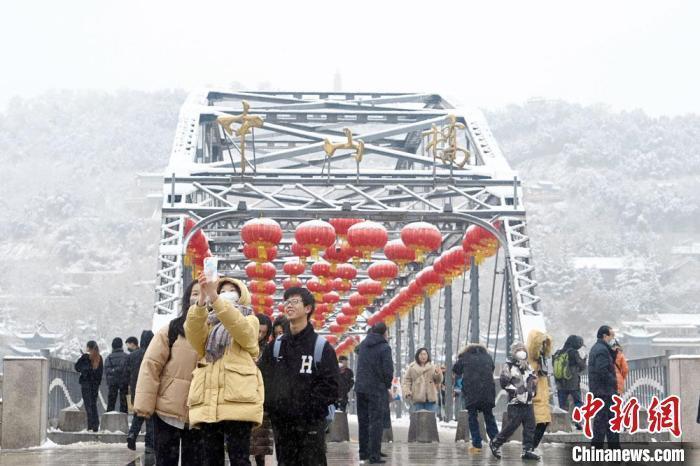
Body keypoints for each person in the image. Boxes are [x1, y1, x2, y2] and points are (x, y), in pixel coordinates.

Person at [185, 274, 264, 466]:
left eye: (232, 291)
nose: (226, 294)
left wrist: (216, 298)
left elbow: (240, 330)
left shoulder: (250, 320)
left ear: (242, 295)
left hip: (237, 398)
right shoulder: (209, 324)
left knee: (239, 458)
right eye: (222, 291)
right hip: (209, 398)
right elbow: (194, 336)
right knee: (210, 459)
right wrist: (202, 301)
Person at [259, 286, 340, 466]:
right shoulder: (276, 347)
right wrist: (275, 408)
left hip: (310, 426)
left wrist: (307, 410)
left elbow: (331, 386)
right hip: (283, 426)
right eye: (286, 302)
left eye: (295, 302)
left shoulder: (321, 347)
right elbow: (264, 379)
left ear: (308, 308)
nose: (289, 306)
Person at [134, 280, 203, 466]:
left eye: (204, 293)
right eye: (195, 293)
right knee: (165, 462)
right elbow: (151, 367)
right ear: (187, 299)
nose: (199, 297)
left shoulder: (217, 334)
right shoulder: (171, 331)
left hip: (199, 414)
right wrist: (143, 408)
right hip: (167, 412)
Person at [489, 342, 540, 461]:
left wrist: (533, 390)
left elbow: (532, 382)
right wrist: (516, 392)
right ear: (514, 352)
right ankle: (495, 443)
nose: (522, 352)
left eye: (523, 349)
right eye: (518, 350)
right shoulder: (509, 366)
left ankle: (527, 450)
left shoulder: (528, 366)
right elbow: (504, 382)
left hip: (528, 402)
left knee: (530, 427)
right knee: (512, 426)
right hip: (516, 403)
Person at [355, 322, 393, 465]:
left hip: (360, 388)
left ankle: (363, 452)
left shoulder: (363, 346)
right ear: (384, 333)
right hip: (376, 389)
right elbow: (388, 370)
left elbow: (356, 350)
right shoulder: (384, 348)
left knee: (363, 421)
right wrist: (387, 385)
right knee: (375, 422)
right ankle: (374, 456)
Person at [452, 343, 499, 453]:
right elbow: (492, 368)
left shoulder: (465, 356)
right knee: (489, 417)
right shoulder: (487, 357)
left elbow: (456, 369)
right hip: (487, 391)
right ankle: (496, 442)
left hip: (472, 391)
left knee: (472, 417)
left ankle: (477, 444)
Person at [588, 325, 620, 449]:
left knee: (603, 422)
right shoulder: (601, 350)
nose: (613, 338)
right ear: (605, 336)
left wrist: (613, 351)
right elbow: (602, 370)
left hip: (601, 391)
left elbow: (606, 365)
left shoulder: (600, 348)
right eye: (612, 335)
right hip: (604, 391)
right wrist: (613, 381)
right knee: (606, 422)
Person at [251, 313, 274, 466]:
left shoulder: (268, 350)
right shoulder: (241, 344)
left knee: (260, 445)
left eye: (263, 333)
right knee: (241, 443)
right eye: (258, 331)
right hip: (242, 397)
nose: (259, 335)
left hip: (261, 399)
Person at [126, 330, 154, 451]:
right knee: (150, 417)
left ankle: (132, 434)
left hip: (136, 390)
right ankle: (149, 444)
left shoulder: (132, 356)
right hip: (151, 389)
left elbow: (126, 373)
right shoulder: (154, 353)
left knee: (138, 414)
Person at [553, 335, 587, 430]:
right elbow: (582, 366)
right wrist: (584, 359)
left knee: (563, 405)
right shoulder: (573, 352)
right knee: (578, 402)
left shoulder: (558, 353)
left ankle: (563, 425)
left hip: (560, 383)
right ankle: (578, 421)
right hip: (573, 383)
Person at [527, 329, 553, 450]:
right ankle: (529, 448)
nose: (542, 347)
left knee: (544, 422)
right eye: (540, 344)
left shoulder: (542, 360)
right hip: (536, 397)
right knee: (540, 423)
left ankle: (531, 447)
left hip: (543, 397)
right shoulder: (531, 361)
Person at [401, 347, 443, 414]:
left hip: (431, 399)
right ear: (417, 356)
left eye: (425, 354)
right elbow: (406, 381)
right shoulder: (412, 367)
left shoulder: (432, 366)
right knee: (418, 420)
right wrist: (407, 392)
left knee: (430, 420)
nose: (423, 356)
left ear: (428, 356)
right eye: (421, 354)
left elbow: (438, 380)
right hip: (417, 398)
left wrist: (438, 373)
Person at [75, 340, 103, 432]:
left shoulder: (85, 357)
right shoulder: (99, 358)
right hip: (94, 385)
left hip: (86, 384)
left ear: (88, 348)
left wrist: (83, 357)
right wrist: (96, 383)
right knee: (93, 404)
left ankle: (90, 425)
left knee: (88, 405)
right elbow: (100, 373)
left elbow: (77, 367)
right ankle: (95, 424)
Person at [105, 337, 130, 413]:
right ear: (121, 346)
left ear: (112, 346)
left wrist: (113, 371)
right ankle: (123, 419)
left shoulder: (109, 357)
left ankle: (109, 418)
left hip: (112, 382)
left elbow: (107, 370)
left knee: (111, 402)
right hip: (124, 382)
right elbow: (129, 369)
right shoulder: (126, 356)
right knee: (124, 403)